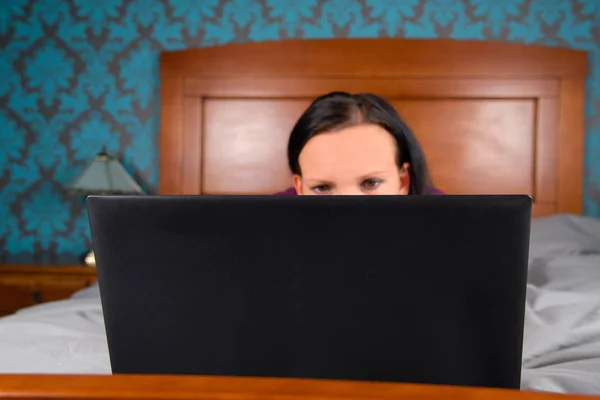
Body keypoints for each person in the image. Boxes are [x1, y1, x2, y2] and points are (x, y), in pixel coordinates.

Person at [274, 91, 444, 196]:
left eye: (370, 183)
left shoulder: (448, 223)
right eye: (322, 188)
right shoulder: (266, 223)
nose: (346, 207)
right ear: (300, 187)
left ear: (403, 182)